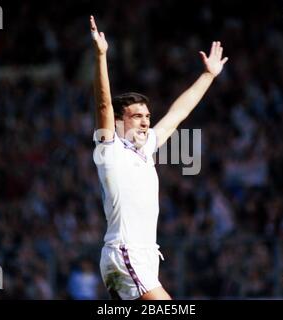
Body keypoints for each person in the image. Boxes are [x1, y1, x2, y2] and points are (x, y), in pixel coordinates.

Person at [90, 15, 228, 300]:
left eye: (147, 116)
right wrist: (101, 56)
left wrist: (208, 75)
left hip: (144, 256)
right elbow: (103, 103)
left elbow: (178, 113)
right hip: (125, 252)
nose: (145, 122)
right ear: (118, 122)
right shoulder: (110, 149)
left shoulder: (146, 148)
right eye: (137, 116)